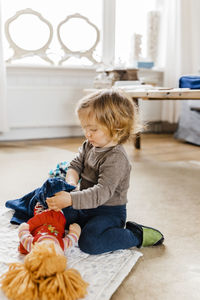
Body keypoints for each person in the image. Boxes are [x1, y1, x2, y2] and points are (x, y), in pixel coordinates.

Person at [46, 88, 164, 255]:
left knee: (90, 242)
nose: (87, 134)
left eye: (93, 129)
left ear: (115, 127)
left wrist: (71, 198)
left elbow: (101, 193)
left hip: (108, 211)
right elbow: (75, 165)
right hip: (84, 202)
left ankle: (136, 235)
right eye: (84, 128)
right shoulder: (90, 144)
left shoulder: (116, 158)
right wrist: (71, 184)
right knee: (53, 213)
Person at [0, 202, 88, 300]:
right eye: (54, 251)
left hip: (39, 220)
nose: (49, 245)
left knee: (39, 202)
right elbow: (71, 238)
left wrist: (23, 229)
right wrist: (75, 231)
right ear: (62, 257)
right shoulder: (62, 245)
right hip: (58, 217)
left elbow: (24, 235)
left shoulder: (31, 245)